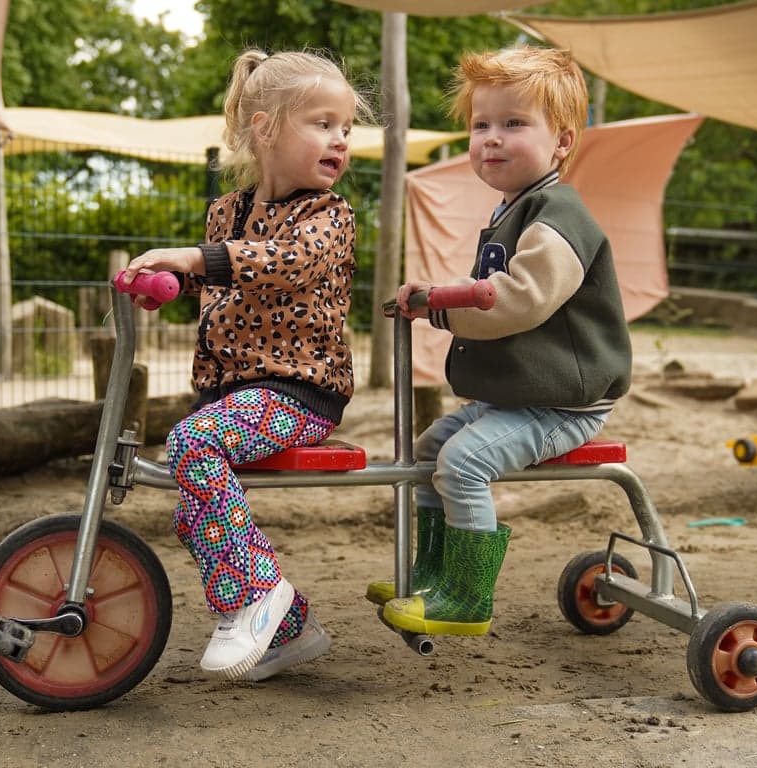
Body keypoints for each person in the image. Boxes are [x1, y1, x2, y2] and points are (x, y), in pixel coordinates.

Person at [121, 48, 371, 681]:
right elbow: (224, 290)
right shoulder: (226, 212)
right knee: (194, 500)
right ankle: (290, 632)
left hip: (298, 388)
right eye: (322, 123)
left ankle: (254, 596)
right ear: (266, 129)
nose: (339, 139)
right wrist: (165, 287)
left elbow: (283, 262)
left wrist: (195, 259)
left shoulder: (329, 216)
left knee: (192, 444)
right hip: (234, 391)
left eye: (346, 127)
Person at [371, 45, 632, 637]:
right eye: (480, 124)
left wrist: (440, 306)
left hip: (564, 401)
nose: (491, 138)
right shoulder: (513, 210)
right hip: (520, 396)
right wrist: (438, 297)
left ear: (562, 141)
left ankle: (467, 597)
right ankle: (433, 573)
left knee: (464, 463)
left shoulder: (559, 215)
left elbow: (519, 299)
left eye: (514, 124)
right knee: (429, 450)